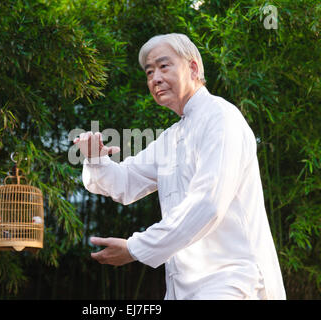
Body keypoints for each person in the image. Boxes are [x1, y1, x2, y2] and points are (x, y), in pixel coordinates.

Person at [73, 33, 286, 300]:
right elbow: (125, 182)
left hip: (231, 279)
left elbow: (207, 204)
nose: (155, 78)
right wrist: (95, 158)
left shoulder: (221, 118)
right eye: (149, 72)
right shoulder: (171, 138)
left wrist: (134, 248)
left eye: (164, 66)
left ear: (193, 68)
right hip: (182, 284)